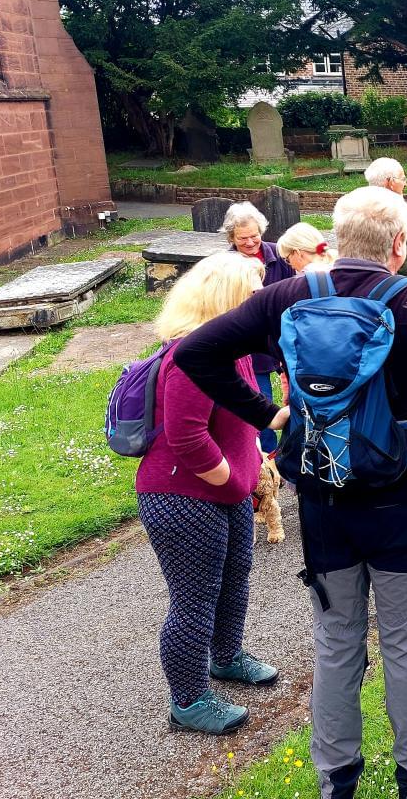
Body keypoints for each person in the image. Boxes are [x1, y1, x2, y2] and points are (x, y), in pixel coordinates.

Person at [174, 186, 407, 799]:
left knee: (335, 641)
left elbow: (196, 351)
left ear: (333, 240)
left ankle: (336, 780)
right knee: (406, 640)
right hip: (400, 499)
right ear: (399, 245)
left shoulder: (289, 295)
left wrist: (266, 415)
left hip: (323, 501)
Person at [138, 251, 277, 735]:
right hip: (181, 496)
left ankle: (226, 656)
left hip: (226, 491)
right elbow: (187, 438)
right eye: (253, 292)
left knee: (235, 576)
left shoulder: (232, 350)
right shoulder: (191, 355)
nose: (262, 299)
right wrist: (230, 480)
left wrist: (254, 458)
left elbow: (241, 415)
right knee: (194, 598)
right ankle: (189, 700)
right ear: (228, 299)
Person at [220, 202, 294, 452]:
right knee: (260, 402)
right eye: (243, 239)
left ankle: (295, 449)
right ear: (231, 237)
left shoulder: (278, 254)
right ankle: (267, 457)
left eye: (255, 236)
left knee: (298, 397)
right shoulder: (224, 265)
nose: (251, 243)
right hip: (249, 345)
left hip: (284, 338)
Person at [364, 156, 407, 278]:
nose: (406, 183)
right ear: (390, 182)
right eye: (403, 178)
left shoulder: (370, 206)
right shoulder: (385, 212)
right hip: (398, 287)